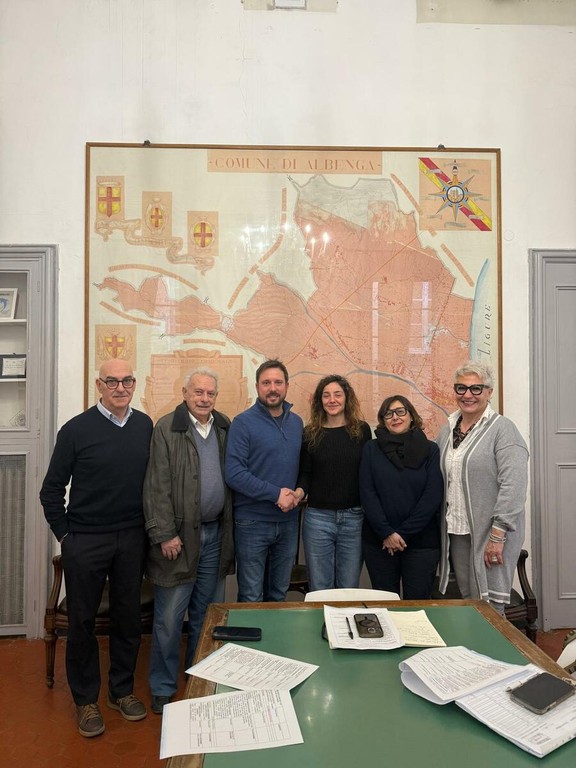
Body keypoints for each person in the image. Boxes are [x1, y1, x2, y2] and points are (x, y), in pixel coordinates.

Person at [39, 359, 153, 738]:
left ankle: (121, 691)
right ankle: (86, 700)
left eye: (127, 380)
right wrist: (66, 536)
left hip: (131, 538)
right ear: (99, 385)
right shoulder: (75, 430)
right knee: (82, 622)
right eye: (112, 381)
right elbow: (51, 490)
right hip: (85, 539)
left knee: (128, 619)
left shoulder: (144, 426)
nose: (120, 388)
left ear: (134, 384)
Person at [143, 367, 234, 714]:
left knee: (206, 615)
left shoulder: (224, 427)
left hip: (215, 535)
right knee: (169, 620)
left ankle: (200, 678)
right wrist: (165, 533)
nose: (204, 399)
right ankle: (163, 686)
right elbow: (156, 486)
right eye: (198, 392)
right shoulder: (167, 428)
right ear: (184, 393)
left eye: (210, 393)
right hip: (178, 540)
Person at [436, 360, 529, 614]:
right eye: (461, 388)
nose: (468, 395)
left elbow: (514, 485)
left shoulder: (503, 430)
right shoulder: (448, 429)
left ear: (489, 392)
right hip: (458, 529)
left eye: (476, 388)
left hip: (492, 533)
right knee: (470, 600)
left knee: (491, 604)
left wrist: (498, 535)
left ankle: (494, 643)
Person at [225, 359, 303, 602]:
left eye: (278, 382)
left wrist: (298, 493)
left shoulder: (297, 423)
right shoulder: (242, 423)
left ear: (287, 386)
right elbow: (234, 473)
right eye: (266, 383)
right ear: (257, 386)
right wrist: (275, 494)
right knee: (251, 597)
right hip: (252, 523)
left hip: (288, 522)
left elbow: (301, 466)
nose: (273, 388)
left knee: (278, 595)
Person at [359, 395, 443, 599]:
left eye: (400, 411)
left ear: (411, 416)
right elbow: (367, 493)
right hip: (380, 541)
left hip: (421, 542)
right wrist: (387, 533)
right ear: (383, 420)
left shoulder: (430, 449)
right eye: (388, 414)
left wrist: (403, 534)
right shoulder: (371, 449)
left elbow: (432, 495)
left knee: (418, 606)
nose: (395, 417)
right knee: (385, 606)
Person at [295, 375, 371, 590]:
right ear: (320, 401)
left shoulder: (362, 431)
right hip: (318, 520)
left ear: (347, 398)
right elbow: (306, 473)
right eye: (326, 395)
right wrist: (298, 493)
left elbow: (368, 473)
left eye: (337, 394)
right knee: (320, 588)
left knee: (348, 587)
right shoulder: (310, 433)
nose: (332, 400)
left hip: (354, 519)